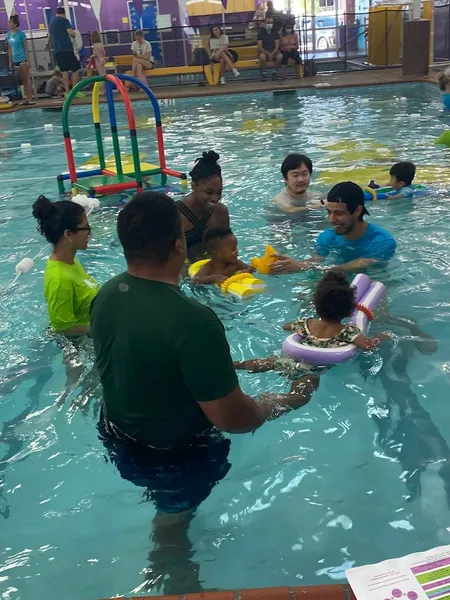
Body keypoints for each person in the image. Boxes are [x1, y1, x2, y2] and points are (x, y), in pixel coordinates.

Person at [91, 191, 319, 509]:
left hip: (114, 432)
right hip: (174, 456)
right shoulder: (193, 321)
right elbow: (234, 419)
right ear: (179, 245)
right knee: (172, 532)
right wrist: (281, 400)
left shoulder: (107, 295)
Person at [235, 269, 381, 377]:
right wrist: (378, 339)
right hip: (311, 372)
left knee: (269, 361)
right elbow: (366, 345)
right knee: (299, 394)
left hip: (289, 361)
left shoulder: (305, 324)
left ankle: (235, 365)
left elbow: (286, 326)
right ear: (349, 310)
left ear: (316, 305)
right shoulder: (349, 331)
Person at [271, 181, 397, 274]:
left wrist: (302, 267)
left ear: (357, 211)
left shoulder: (382, 241)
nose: (331, 220)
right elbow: (315, 261)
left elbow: (357, 265)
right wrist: (290, 266)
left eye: (339, 213)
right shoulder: (327, 236)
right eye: (329, 212)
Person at [32, 195, 99, 336]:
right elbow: (63, 331)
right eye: (86, 227)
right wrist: (107, 328)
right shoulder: (59, 280)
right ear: (68, 234)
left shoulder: (70, 262)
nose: (90, 233)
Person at [177, 150, 230, 261]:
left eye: (219, 193)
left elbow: (229, 251)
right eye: (209, 192)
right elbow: (170, 259)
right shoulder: (176, 215)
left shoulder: (221, 212)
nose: (215, 198)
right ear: (193, 186)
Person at [49, 7, 82, 96]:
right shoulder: (64, 20)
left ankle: (67, 92)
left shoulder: (51, 23)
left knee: (64, 71)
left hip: (57, 50)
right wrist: (75, 35)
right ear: (63, 13)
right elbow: (70, 32)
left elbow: (49, 37)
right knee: (75, 69)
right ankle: (74, 91)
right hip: (66, 49)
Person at [6, 15, 35, 106]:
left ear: (15, 24)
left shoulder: (21, 34)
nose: (8, 24)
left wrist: (28, 60)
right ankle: (27, 98)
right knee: (22, 80)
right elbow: (10, 49)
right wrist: (10, 61)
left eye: (10, 22)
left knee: (27, 79)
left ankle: (30, 99)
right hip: (15, 59)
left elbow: (26, 48)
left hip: (22, 59)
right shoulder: (8, 35)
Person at [257, 15, 282, 80]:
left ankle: (275, 72)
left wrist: (272, 53)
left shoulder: (275, 32)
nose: (270, 24)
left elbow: (277, 46)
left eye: (271, 23)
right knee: (262, 57)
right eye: (268, 23)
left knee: (280, 56)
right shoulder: (260, 33)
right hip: (264, 51)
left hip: (274, 51)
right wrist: (268, 54)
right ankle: (263, 73)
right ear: (264, 23)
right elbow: (260, 47)